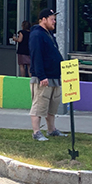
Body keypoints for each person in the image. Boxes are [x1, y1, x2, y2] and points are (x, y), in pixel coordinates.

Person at [29, 9, 66, 141]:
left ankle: (52, 129)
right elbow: (36, 56)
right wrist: (41, 75)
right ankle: (36, 132)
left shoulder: (49, 34)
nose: (54, 21)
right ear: (43, 19)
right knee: (39, 105)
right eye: (52, 19)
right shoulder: (37, 35)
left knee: (52, 106)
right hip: (43, 78)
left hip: (54, 76)